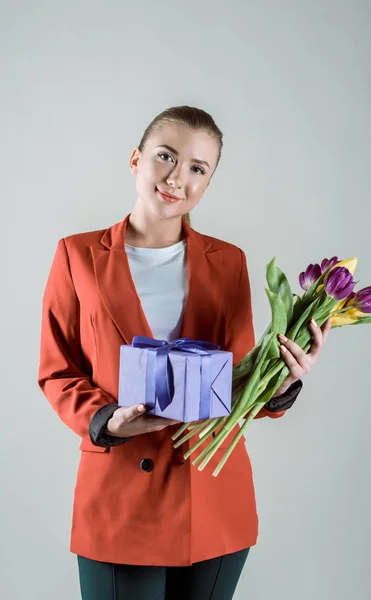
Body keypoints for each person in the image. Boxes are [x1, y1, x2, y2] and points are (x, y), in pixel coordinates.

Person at [38, 105, 332, 600]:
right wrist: (107, 420)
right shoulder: (77, 254)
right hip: (119, 495)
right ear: (136, 160)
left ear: (209, 182)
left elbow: (235, 383)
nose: (178, 177)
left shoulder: (229, 262)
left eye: (198, 168)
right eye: (165, 157)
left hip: (212, 493)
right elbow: (57, 370)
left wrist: (279, 385)